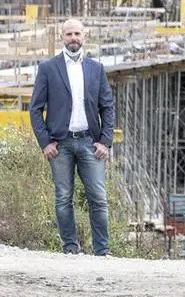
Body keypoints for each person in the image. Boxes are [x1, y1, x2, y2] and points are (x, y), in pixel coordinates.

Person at [29, 19, 116, 256]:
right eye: (69, 34)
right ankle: (70, 248)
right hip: (60, 144)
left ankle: (102, 251)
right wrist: (45, 142)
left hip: (90, 143)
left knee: (98, 198)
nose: (73, 38)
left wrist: (105, 141)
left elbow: (107, 107)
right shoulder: (48, 68)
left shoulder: (96, 68)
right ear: (62, 37)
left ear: (84, 36)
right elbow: (35, 108)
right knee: (63, 197)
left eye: (77, 33)